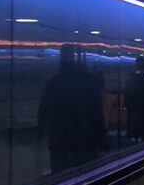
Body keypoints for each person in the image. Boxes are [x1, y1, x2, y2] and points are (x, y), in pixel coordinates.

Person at [38, 44, 105, 174]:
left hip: (59, 141)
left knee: (60, 178)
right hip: (85, 141)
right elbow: (97, 114)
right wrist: (101, 140)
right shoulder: (89, 81)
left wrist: (40, 133)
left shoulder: (53, 82)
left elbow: (44, 111)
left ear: (60, 58)